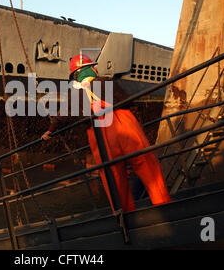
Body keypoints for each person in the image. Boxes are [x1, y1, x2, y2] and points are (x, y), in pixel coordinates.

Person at [41, 54, 171, 213]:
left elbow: (60, 118)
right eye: (94, 67)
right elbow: (129, 101)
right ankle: (164, 205)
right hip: (123, 123)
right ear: (90, 69)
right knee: (147, 165)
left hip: (98, 134)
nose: (96, 69)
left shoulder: (73, 96)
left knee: (113, 177)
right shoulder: (106, 82)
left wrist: (50, 131)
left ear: (74, 75)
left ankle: (124, 216)